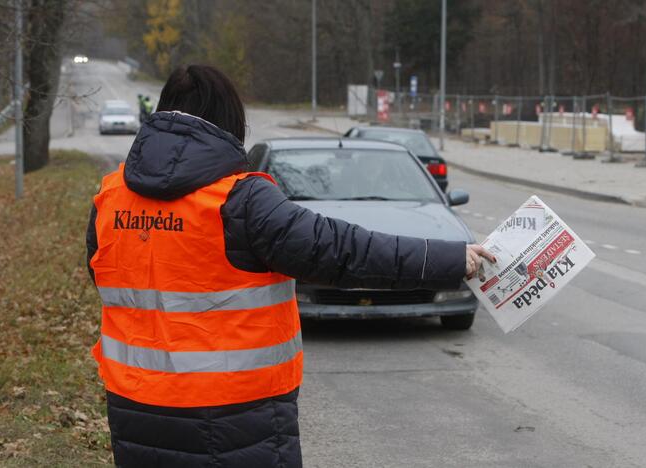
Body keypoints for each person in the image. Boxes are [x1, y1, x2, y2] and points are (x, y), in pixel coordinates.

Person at [86, 64, 494, 468]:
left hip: (135, 411)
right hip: (235, 421)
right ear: (228, 121)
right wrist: (450, 259)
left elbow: (107, 276)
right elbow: (344, 252)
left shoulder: (111, 197)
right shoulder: (240, 201)